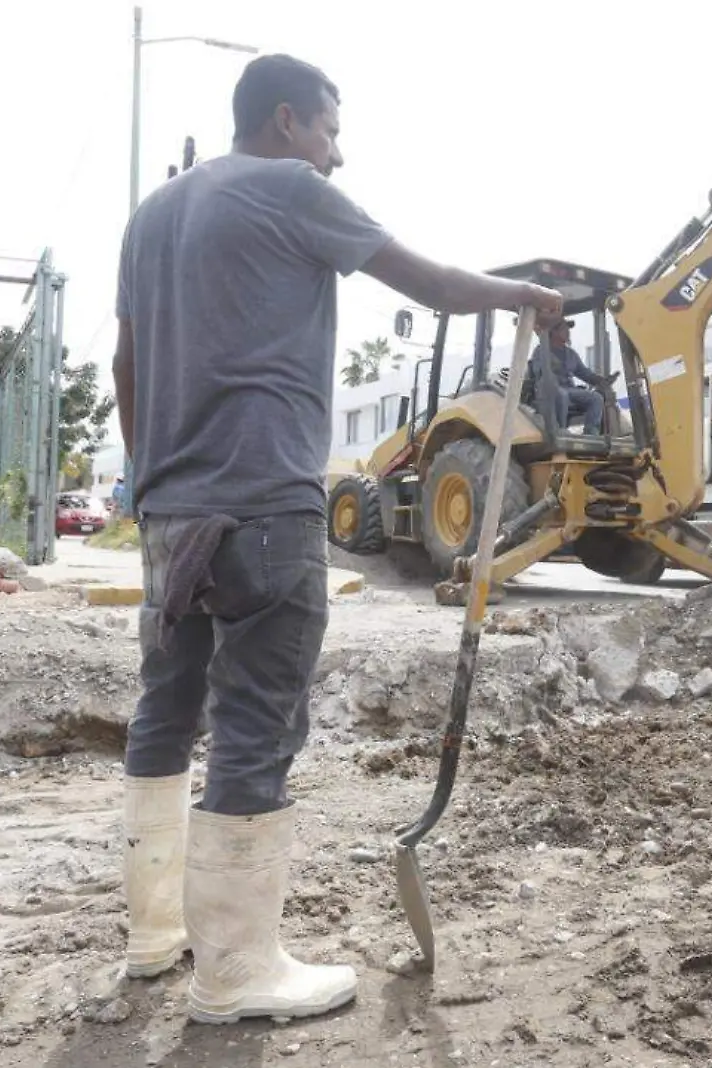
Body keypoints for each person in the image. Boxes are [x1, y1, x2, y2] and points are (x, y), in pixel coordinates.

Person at [111, 53, 562, 1025]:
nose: (336, 151)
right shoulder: (289, 189)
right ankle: (234, 975)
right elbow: (433, 284)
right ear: (285, 122)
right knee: (255, 722)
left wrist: (146, 482)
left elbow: (125, 360)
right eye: (328, 129)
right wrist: (519, 299)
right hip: (263, 507)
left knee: (167, 707)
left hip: (170, 513)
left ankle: (155, 936)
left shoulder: (151, 215)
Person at [529, 316, 613, 434]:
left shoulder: (570, 354)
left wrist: (600, 380)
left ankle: (591, 432)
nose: (568, 332)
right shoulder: (541, 351)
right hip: (550, 391)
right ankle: (559, 430)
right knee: (562, 395)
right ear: (553, 331)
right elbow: (539, 372)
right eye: (564, 329)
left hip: (570, 390)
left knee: (596, 398)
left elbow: (584, 373)